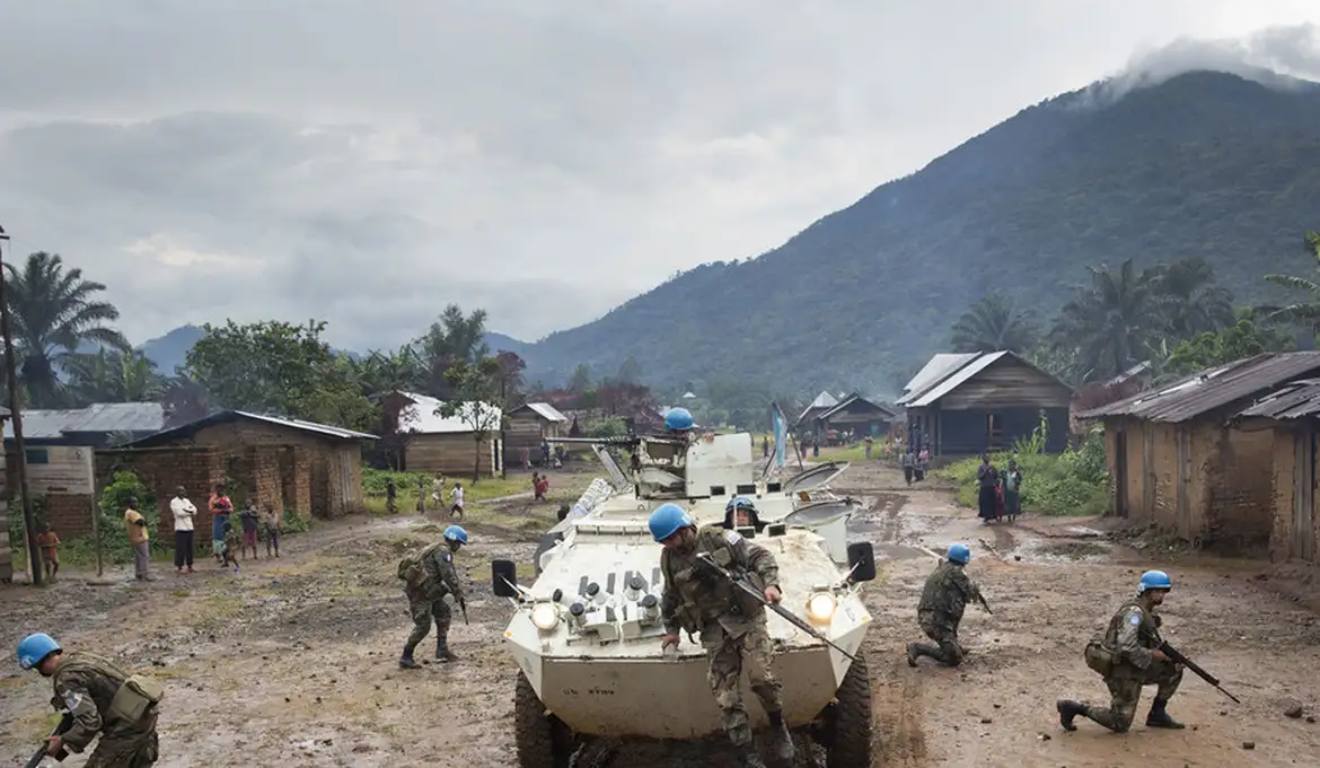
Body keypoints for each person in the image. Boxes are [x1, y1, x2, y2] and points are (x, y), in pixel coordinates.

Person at [652, 503, 792, 768]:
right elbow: (669, 596)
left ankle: (778, 726)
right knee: (725, 697)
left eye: (671, 537)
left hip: (746, 618)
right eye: (664, 540)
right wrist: (671, 631)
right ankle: (748, 756)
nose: (669, 543)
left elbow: (759, 555)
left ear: (685, 528)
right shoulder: (669, 558)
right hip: (714, 629)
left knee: (762, 680)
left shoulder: (717, 537)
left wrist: (771, 584)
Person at [1057, 570, 1185, 733]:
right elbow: (1125, 646)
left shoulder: (1147, 612)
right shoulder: (1134, 614)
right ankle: (1075, 708)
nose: (1161, 595)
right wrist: (1154, 655)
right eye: (1157, 591)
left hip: (1136, 663)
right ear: (1147, 591)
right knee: (1120, 723)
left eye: (1163, 591)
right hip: (1122, 668)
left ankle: (1157, 714)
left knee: (1174, 668)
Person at [16, 633, 161, 766]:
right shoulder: (82, 659)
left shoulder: (67, 679)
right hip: (144, 722)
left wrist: (63, 741)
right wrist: (61, 749)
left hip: (125, 732)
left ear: (39, 662)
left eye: (36, 668)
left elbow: (90, 722)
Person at [398, 525, 468, 668]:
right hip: (420, 593)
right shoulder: (443, 552)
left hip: (428, 590)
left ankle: (442, 650)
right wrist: (457, 592)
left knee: (443, 612)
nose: (459, 547)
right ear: (454, 541)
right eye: (459, 543)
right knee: (423, 626)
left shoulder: (436, 548)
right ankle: (406, 656)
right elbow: (448, 574)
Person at [906, 543, 983, 667]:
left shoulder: (942, 568)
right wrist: (974, 587)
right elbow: (970, 595)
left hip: (931, 617)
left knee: (954, 606)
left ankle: (953, 645)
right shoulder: (957, 573)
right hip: (936, 621)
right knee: (954, 659)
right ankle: (918, 648)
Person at [123, 498, 152, 581]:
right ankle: (144, 574)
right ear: (129, 504)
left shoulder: (131, 512)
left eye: (136, 502)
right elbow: (141, 522)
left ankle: (139, 573)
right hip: (139, 537)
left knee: (139, 556)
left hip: (136, 537)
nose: (136, 504)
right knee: (144, 556)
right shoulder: (130, 512)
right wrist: (144, 520)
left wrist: (144, 520)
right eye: (134, 502)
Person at [169, 487, 196, 575]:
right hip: (180, 527)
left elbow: (195, 510)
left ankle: (190, 565)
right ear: (177, 492)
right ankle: (179, 566)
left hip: (189, 527)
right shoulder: (174, 502)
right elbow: (179, 513)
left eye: (183, 490)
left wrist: (187, 511)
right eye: (180, 491)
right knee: (181, 548)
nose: (182, 492)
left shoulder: (187, 501)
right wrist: (189, 512)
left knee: (190, 548)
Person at [208, 484, 233, 565]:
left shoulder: (226, 498)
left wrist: (226, 509)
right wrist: (219, 510)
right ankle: (218, 556)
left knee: (227, 537)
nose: (220, 491)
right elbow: (211, 509)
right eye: (218, 490)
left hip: (226, 519)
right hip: (218, 519)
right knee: (217, 537)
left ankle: (227, 557)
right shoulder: (213, 499)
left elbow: (231, 508)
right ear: (216, 490)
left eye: (222, 490)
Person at [976, 454, 999, 524]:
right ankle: (986, 517)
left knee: (993, 501)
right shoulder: (981, 467)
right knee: (984, 502)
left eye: (988, 458)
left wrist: (993, 474)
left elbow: (996, 475)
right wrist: (985, 471)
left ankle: (994, 516)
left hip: (991, 486)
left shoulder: (992, 467)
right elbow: (979, 477)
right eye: (986, 458)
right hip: (984, 487)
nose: (987, 459)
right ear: (983, 459)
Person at [1003, 458, 1023, 523]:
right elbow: (1002, 480)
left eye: (1012, 464)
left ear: (1014, 465)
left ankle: (1014, 517)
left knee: (1014, 505)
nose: (1010, 466)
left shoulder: (1017, 473)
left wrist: (1017, 482)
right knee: (1007, 505)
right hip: (1007, 491)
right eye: (1009, 464)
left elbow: (1020, 479)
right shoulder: (1006, 472)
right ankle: (1009, 517)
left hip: (1015, 491)